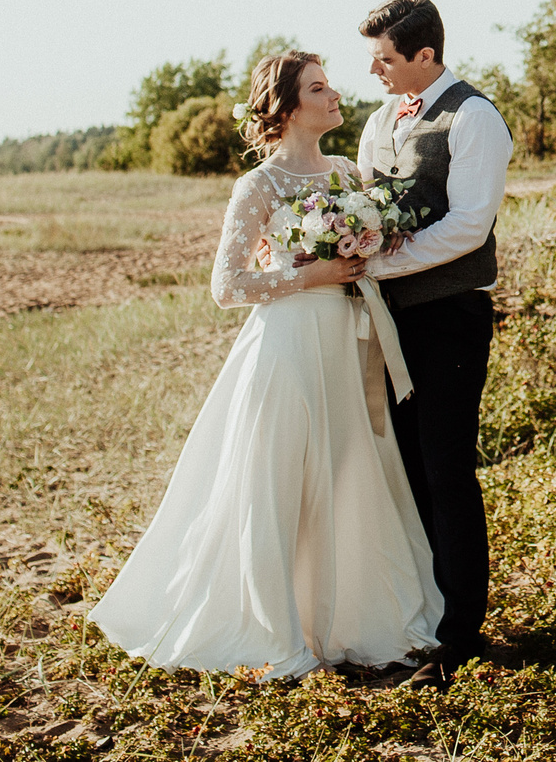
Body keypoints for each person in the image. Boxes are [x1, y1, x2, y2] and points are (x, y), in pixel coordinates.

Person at [88, 51, 441, 675]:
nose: (334, 95)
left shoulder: (345, 174)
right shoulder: (259, 186)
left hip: (345, 341)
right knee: (280, 481)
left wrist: (364, 246)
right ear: (287, 107)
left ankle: (352, 619)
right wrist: (315, 274)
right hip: (286, 345)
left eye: (329, 84)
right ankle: (275, 628)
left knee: (350, 471)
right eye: (319, 87)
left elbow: (373, 249)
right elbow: (228, 285)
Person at [352, 0, 512, 686]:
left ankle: (461, 633)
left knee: (447, 470)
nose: (373, 69)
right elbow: (363, 201)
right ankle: (424, 610)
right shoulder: (380, 119)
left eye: (385, 57)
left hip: (449, 317)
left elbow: (468, 227)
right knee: (407, 468)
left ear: (425, 55)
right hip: (388, 321)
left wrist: (380, 261)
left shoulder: (475, 116)